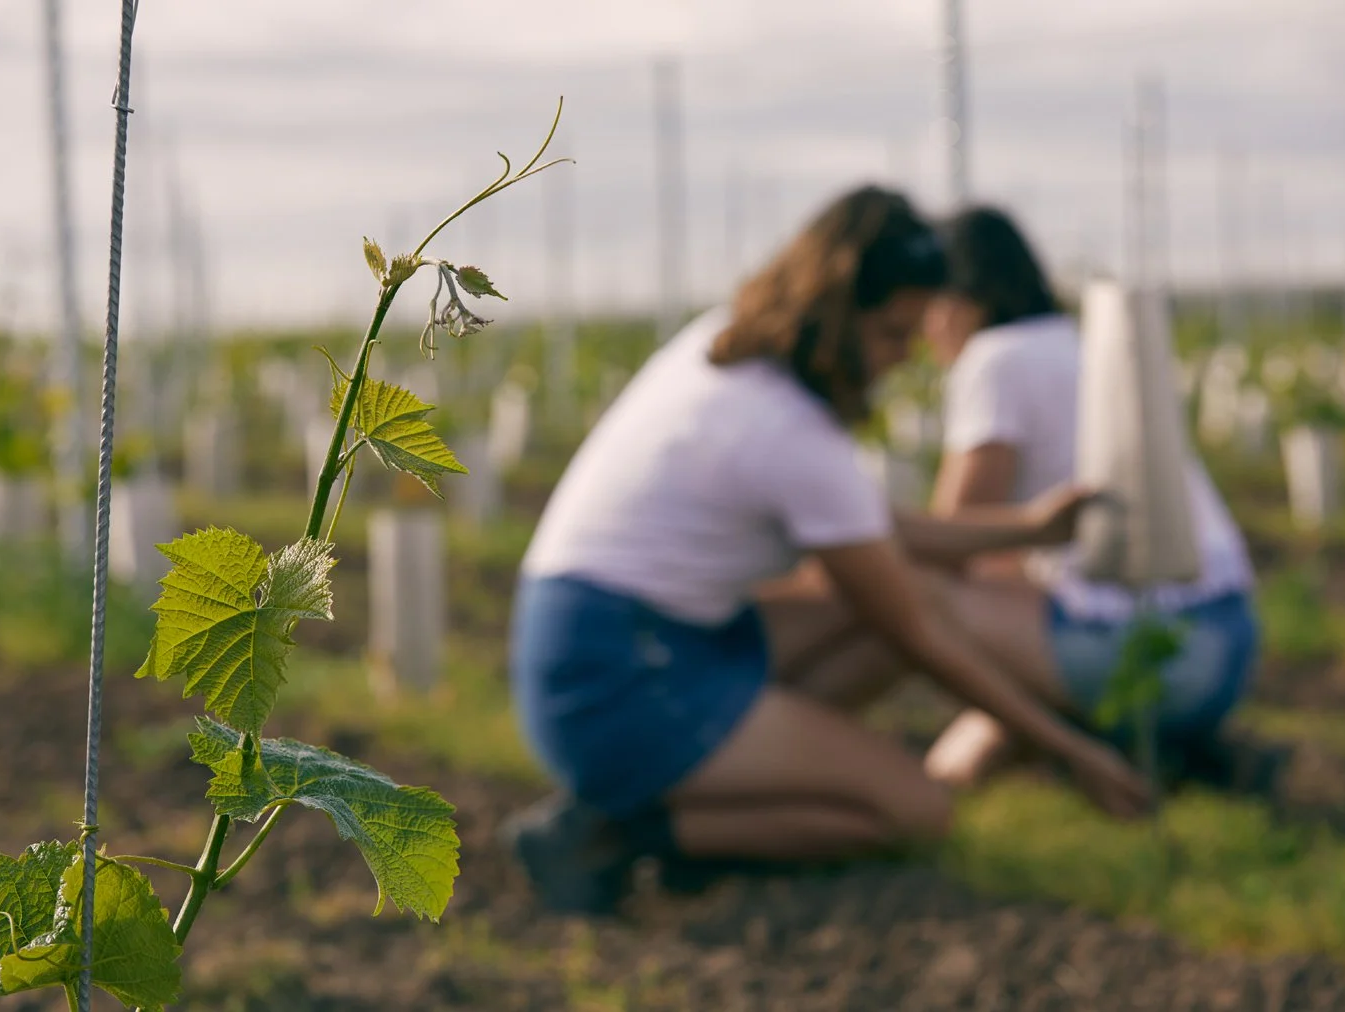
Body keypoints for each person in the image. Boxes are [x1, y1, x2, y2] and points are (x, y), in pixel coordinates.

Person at [499, 186, 1151, 917]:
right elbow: (919, 634)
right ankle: (617, 831)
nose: (904, 357)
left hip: (620, 642)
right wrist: (1070, 748)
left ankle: (695, 785)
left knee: (907, 598)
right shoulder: (788, 430)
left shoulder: (728, 345)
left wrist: (1027, 529)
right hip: (617, 681)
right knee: (916, 810)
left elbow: (871, 529)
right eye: (892, 333)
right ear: (839, 311)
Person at [919, 206, 1267, 792]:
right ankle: (996, 739)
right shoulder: (1073, 343)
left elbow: (946, 540)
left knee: (911, 589)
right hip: (1228, 643)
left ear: (961, 302)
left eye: (922, 309)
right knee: (1008, 582)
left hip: (1153, 660)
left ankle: (849, 748)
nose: (921, 331)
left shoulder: (995, 359)